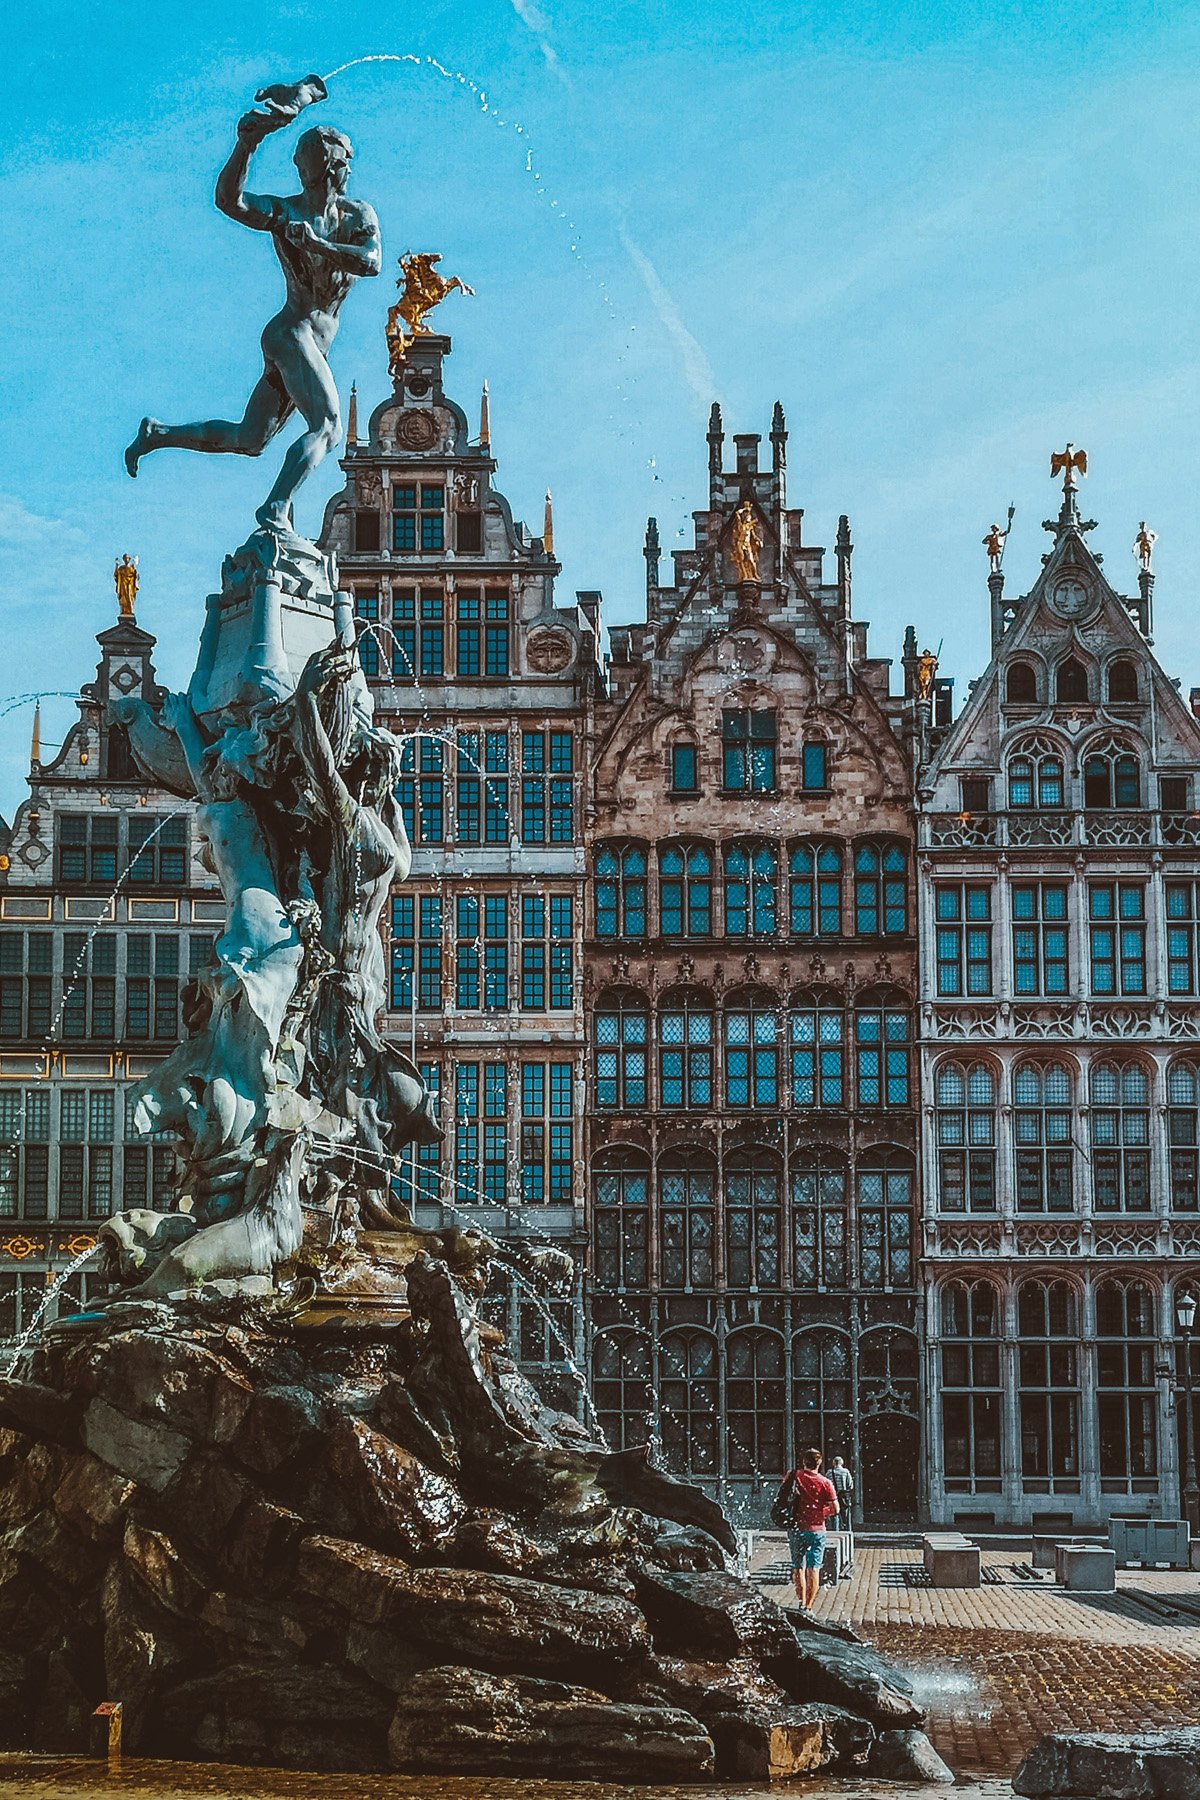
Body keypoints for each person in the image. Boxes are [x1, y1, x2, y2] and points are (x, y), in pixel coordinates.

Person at [125, 89, 381, 532]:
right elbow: (230, 201)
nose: (349, 169)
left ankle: (158, 434)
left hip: (310, 343)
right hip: (291, 334)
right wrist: (247, 144)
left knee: (249, 440)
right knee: (328, 426)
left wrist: (317, 244)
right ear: (328, 168)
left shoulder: (358, 216)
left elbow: (371, 262)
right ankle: (275, 509)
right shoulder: (285, 213)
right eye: (343, 161)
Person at [775, 1447, 838, 1609]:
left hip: (797, 1528)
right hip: (817, 1530)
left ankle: (801, 1602)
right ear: (820, 1463)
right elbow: (835, 1509)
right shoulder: (825, 1483)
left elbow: (783, 1495)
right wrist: (822, 1513)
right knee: (814, 1568)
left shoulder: (794, 1475)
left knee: (798, 1568)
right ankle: (808, 1606)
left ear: (804, 1461)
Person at [828, 1454, 854, 1529]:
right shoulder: (846, 1472)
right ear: (842, 1463)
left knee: (835, 1514)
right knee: (846, 1515)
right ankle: (847, 1530)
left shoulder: (829, 1473)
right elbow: (850, 1485)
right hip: (843, 1496)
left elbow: (826, 1485)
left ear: (833, 1463)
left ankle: (836, 1531)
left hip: (833, 1496)